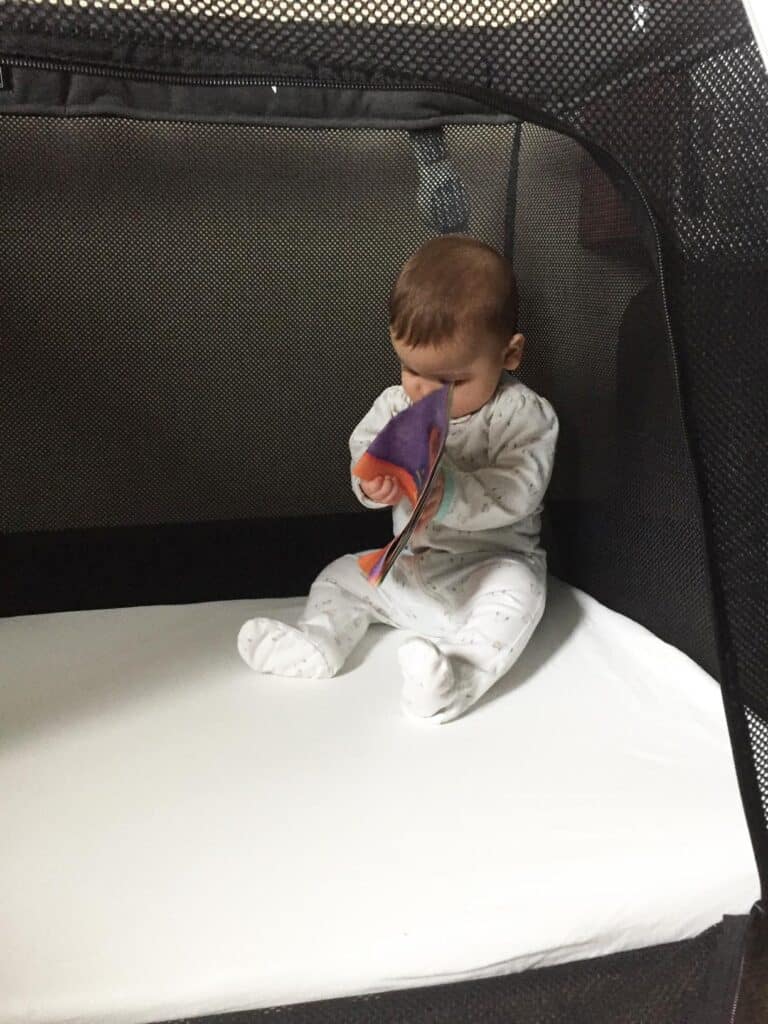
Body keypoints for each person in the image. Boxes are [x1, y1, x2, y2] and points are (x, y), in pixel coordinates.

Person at [238, 235, 559, 724]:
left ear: (510, 354)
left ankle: (454, 677)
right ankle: (320, 640)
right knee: (343, 574)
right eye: (411, 369)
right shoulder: (394, 405)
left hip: (491, 569)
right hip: (411, 569)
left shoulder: (524, 415)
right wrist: (374, 484)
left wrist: (449, 494)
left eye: (450, 381)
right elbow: (364, 454)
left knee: (520, 598)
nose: (424, 391)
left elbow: (521, 489)